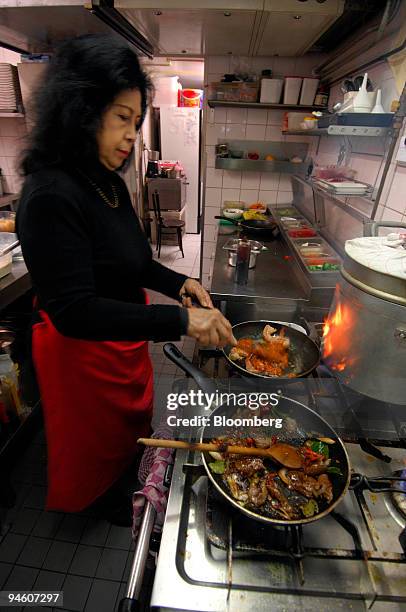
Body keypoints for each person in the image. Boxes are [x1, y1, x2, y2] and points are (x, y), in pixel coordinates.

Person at [16, 34, 235, 522]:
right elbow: (75, 312)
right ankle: (93, 504)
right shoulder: (50, 193)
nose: (132, 134)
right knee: (91, 442)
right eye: (121, 118)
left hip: (123, 338)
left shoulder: (107, 181)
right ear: (82, 109)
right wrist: (180, 321)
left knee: (126, 428)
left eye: (136, 122)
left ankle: (123, 484)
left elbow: (131, 261)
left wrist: (178, 284)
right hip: (81, 353)